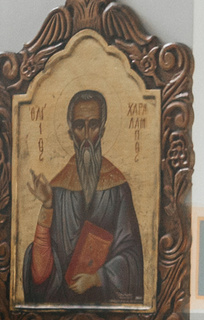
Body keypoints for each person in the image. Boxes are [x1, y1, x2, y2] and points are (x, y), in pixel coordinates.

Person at [26, 88, 144, 305]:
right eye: (80, 125)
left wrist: (98, 278)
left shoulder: (118, 186)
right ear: (71, 132)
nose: (87, 135)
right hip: (63, 303)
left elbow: (131, 252)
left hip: (105, 302)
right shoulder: (57, 188)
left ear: (103, 129)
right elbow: (41, 271)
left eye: (94, 125)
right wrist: (47, 205)